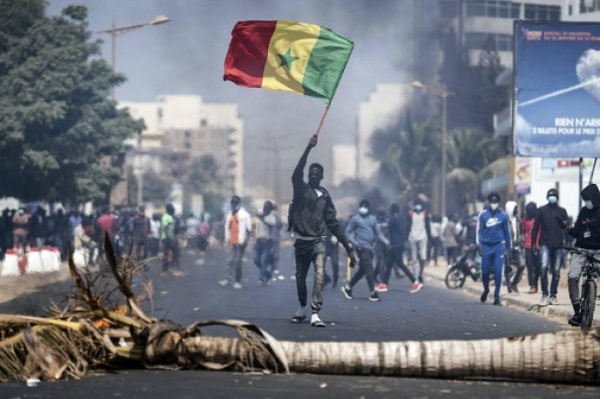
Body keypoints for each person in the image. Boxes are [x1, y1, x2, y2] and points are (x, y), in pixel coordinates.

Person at [289, 135, 356, 328]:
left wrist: (348, 247)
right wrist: (308, 148)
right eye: (311, 173)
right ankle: (302, 307)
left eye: (317, 174)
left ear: (321, 177)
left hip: (318, 241)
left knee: (319, 276)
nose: (313, 176)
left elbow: (333, 223)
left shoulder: (325, 196)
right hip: (302, 241)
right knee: (300, 278)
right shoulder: (300, 189)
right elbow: (296, 173)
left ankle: (315, 312)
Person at [563, 183, 599, 327]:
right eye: (585, 200)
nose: (586, 203)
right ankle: (577, 312)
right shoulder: (584, 211)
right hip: (581, 249)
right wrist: (567, 228)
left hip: (598, 251)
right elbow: (577, 232)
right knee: (573, 276)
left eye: (588, 199)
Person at [342, 200, 390, 302]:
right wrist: (355, 242)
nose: (363, 208)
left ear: (368, 208)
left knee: (362, 270)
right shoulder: (355, 219)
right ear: (359, 207)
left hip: (370, 248)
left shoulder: (372, 219)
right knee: (369, 269)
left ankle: (348, 287)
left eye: (365, 206)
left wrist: (386, 241)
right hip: (361, 247)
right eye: (362, 206)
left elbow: (378, 233)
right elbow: (347, 232)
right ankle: (373, 293)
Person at [531, 188, 569, 305]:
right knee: (543, 269)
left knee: (556, 271)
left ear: (557, 197)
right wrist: (533, 244)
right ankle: (545, 294)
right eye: (550, 195)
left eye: (554, 195)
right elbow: (535, 228)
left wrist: (568, 244)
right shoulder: (541, 210)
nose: (552, 197)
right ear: (547, 197)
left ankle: (553, 295)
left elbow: (567, 229)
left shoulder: (562, 211)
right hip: (545, 244)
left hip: (558, 245)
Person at [476, 192, 512, 306]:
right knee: (485, 272)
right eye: (492, 202)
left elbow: (507, 233)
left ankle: (497, 297)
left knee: (498, 271)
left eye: (496, 202)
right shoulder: (483, 215)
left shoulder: (503, 215)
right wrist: (479, 245)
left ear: (499, 202)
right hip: (486, 246)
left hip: (499, 246)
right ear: (489, 202)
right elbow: (479, 231)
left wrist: (509, 248)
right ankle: (486, 289)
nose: (494, 204)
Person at [381, 203, 423, 293]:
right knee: (389, 264)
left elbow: (387, 230)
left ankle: (415, 281)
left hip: (395, 245)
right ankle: (384, 284)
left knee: (400, 264)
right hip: (399, 244)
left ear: (392, 210)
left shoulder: (392, 219)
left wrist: (381, 238)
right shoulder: (401, 218)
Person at [218, 195, 252, 289]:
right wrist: (226, 239)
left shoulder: (245, 215)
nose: (233, 204)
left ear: (239, 203)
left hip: (241, 242)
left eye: (235, 203)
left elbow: (249, 229)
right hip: (231, 241)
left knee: (238, 261)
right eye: (232, 203)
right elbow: (227, 228)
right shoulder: (229, 214)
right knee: (229, 261)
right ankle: (227, 279)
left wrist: (246, 240)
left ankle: (237, 281)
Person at [405, 200, 431, 283]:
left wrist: (429, 237)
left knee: (423, 257)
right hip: (412, 238)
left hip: (423, 237)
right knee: (414, 259)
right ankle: (415, 278)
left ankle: (420, 273)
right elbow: (407, 226)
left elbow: (427, 226)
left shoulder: (425, 214)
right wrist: (405, 237)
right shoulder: (410, 214)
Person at [253, 201, 278, 286]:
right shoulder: (261, 213)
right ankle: (267, 274)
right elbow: (256, 216)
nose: (265, 210)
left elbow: (271, 224)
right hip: (258, 240)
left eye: (267, 209)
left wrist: (263, 218)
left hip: (267, 241)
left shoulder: (271, 217)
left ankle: (261, 279)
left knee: (264, 261)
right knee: (256, 260)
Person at [521, 202, 540, 294]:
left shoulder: (538, 219)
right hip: (528, 245)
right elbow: (523, 231)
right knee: (530, 266)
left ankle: (535, 283)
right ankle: (532, 285)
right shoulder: (525, 220)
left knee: (537, 267)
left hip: (538, 245)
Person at [161, 203, 182, 276]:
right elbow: (166, 228)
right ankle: (165, 270)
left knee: (176, 254)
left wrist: (175, 237)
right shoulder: (165, 217)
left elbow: (175, 228)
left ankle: (175, 269)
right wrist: (170, 239)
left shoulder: (173, 217)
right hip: (167, 238)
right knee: (166, 254)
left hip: (172, 238)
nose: (173, 211)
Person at [372, 208, 389, 291]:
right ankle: (382, 280)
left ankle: (374, 276)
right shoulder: (375, 222)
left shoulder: (386, 222)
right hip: (377, 244)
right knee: (381, 260)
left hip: (384, 244)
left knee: (381, 262)